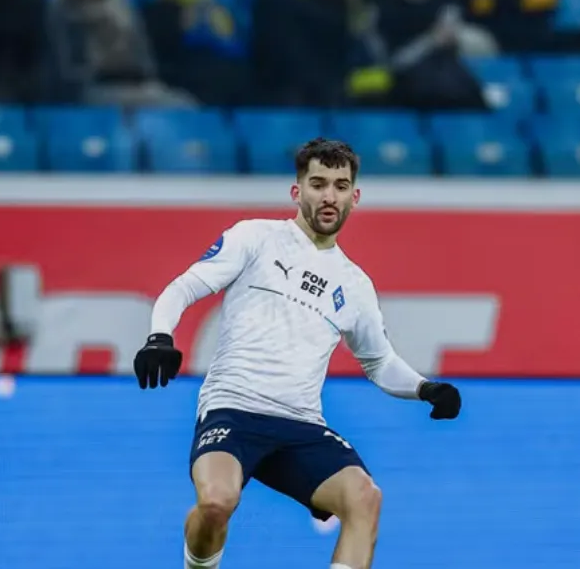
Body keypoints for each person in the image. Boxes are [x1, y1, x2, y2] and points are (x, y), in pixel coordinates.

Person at [133, 138, 462, 569]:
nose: (330, 196)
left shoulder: (355, 285)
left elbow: (378, 361)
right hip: (233, 411)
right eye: (319, 184)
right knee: (216, 503)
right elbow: (184, 287)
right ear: (297, 191)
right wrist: (160, 336)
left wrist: (426, 388)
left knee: (365, 499)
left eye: (341, 186)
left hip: (300, 424)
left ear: (354, 197)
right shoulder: (255, 238)